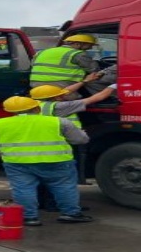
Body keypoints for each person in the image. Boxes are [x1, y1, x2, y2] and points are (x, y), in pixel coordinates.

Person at [0, 96, 93, 227]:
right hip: (57, 161)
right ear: (37, 108)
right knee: (64, 186)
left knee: (23, 188)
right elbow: (81, 140)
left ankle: (29, 217)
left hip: (17, 162)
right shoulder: (58, 121)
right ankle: (71, 214)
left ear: (10, 111)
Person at [30, 80, 119, 208]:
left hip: (37, 145)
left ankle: (41, 202)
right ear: (55, 97)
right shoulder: (60, 107)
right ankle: (55, 204)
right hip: (60, 145)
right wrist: (113, 85)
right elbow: (96, 98)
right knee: (60, 179)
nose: (63, 95)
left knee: (41, 177)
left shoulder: (33, 106)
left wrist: (85, 81)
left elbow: (66, 91)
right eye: (59, 95)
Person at [29, 34, 102, 98]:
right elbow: (94, 70)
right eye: (89, 45)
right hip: (62, 86)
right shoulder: (78, 54)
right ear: (77, 44)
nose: (90, 48)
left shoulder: (41, 52)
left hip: (36, 85)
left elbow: (33, 65)